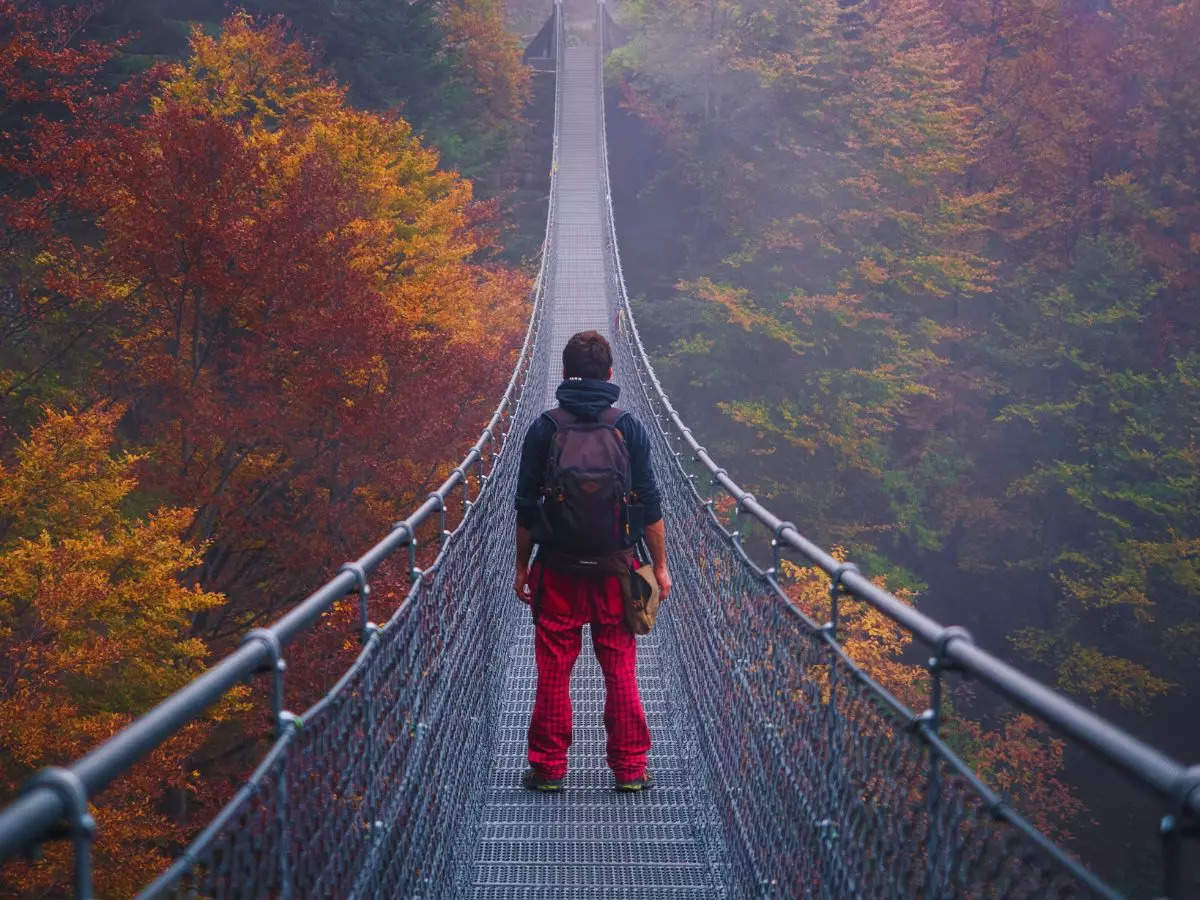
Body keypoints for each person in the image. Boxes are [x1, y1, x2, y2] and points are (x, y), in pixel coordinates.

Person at [513, 330, 671, 793]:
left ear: (563, 374)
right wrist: (659, 566)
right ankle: (630, 770)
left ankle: (548, 770)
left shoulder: (545, 427)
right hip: (617, 570)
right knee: (620, 667)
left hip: (557, 569)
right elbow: (652, 505)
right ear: (610, 374)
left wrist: (522, 566)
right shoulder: (628, 427)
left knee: (554, 670)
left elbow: (526, 508)